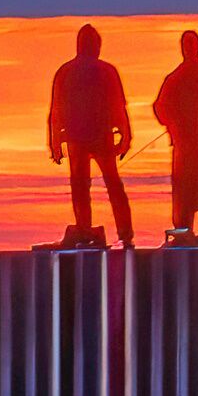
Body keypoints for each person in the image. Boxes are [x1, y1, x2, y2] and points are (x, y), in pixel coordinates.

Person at [44, 24, 134, 249]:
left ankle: (89, 229)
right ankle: (123, 233)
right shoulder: (104, 71)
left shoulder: (67, 71)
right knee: (109, 185)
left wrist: (54, 141)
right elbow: (119, 107)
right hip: (91, 137)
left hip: (83, 138)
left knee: (84, 187)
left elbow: (55, 111)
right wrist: (125, 136)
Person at [153, 29, 198, 244]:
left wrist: (174, 124)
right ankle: (188, 229)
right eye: (186, 45)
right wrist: (173, 124)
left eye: (190, 45)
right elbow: (160, 106)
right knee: (187, 188)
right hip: (190, 143)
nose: (188, 49)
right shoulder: (180, 76)